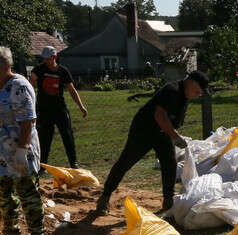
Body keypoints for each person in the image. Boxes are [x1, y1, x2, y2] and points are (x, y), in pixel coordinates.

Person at [95, 71, 209, 213]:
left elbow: (171, 119)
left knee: (169, 163)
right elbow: (159, 115)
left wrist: (173, 133)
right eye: (197, 91)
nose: (198, 95)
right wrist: (174, 136)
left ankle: (168, 200)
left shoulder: (184, 96)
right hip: (143, 130)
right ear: (190, 82)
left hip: (162, 132)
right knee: (126, 161)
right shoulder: (172, 90)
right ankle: (105, 197)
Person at [0, 46, 49, 235]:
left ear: (5, 67)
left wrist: (22, 150)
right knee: (3, 194)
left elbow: (28, 120)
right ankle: (12, 234)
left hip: (19, 152)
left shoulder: (18, 86)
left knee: (27, 194)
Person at [30, 46, 87, 169]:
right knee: (44, 138)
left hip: (60, 109)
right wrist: (30, 106)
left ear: (54, 57)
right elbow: (29, 87)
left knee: (67, 136)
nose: (45, 61)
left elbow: (72, 90)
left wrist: (81, 106)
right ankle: (42, 166)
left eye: (48, 58)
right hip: (43, 110)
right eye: (43, 58)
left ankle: (74, 163)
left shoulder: (63, 71)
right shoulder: (38, 70)